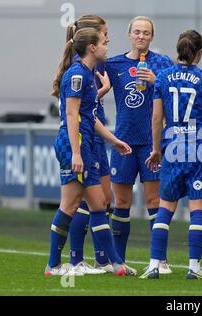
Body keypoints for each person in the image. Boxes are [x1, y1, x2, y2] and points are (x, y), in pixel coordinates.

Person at [140, 30, 202, 280]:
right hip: (199, 146)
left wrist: (156, 149)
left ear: (179, 50)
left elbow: (156, 118)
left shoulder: (163, 77)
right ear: (199, 53)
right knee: (198, 209)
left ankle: (154, 264)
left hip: (172, 145)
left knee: (165, 208)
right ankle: (194, 268)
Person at [46, 27, 136, 276]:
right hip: (74, 143)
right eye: (103, 42)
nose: (107, 45)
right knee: (70, 204)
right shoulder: (77, 75)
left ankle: (116, 264)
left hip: (84, 143)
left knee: (98, 204)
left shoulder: (87, 73)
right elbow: (72, 115)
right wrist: (76, 153)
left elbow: (89, 116)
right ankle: (53, 265)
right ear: (92, 48)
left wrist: (113, 140)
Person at [105, 16, 173, 273]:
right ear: (129, 35)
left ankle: (160, 260)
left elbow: (174, 91)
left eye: (146, 32)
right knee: (121, 203)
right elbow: (96, 86)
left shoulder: (162, 63)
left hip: (151, 143)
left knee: (154, 200)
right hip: (123, 141)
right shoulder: (114, 64)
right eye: (137, 32)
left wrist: (158, 81)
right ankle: (117, 261)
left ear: (152, 37)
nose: (141, 36)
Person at [64, 14, 117, 275]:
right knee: (84, 201)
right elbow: (76, 111)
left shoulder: (96, 64)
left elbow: (87, 108)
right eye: (104, 34)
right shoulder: (81, 69)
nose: (108, 38)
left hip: (97, 134)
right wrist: (101, 92)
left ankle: (102, 260)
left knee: (103, 199)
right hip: (87, 139)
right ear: (92, 41)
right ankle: (75, 259)